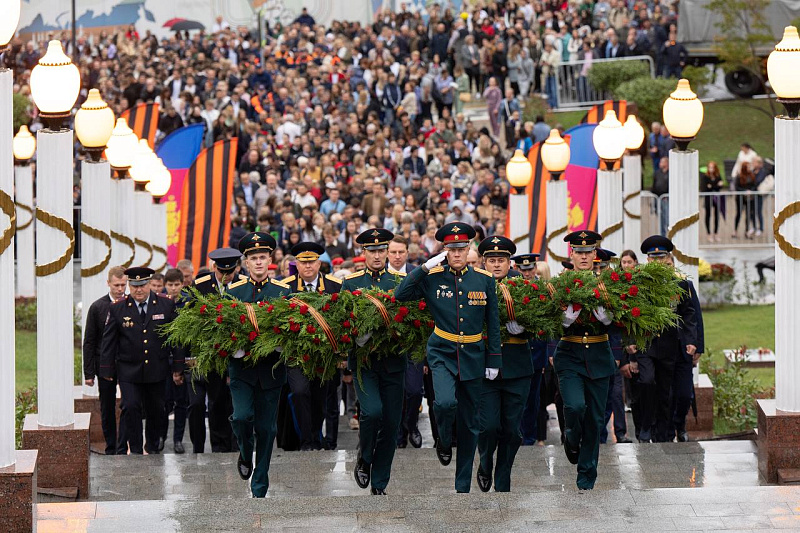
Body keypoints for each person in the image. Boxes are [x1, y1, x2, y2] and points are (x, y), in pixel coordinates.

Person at [395, 222, 502, 493]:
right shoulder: (433, 276)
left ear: (468, 249)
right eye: (451, 249)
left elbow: (493, 323)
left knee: (470, 422)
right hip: (442, 351)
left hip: (474, 355)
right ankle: (443, 439)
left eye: (461, 248)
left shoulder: (484, 279)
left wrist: (494, 360)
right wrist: (423, 268)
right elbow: (400, 295)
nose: (456, 254)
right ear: (444, 251)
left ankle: (462, 484)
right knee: (443, 403)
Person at [225, 232, 292, 498]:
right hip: (242, 370)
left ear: (270, 260)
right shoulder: (233, 292)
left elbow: (292, 329)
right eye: (253, 258)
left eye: (263, 257)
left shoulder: (283, 292)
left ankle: (260, 484)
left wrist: (279, 343)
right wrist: (235, 346)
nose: (259, 262)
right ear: (246, 263)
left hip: (271, 370)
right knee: (241, 417)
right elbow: (223, 329)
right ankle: (244, 452)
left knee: (267, 429)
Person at [342, 229, 407, 495]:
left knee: (391, 424)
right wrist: (357, 337)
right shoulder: (351, 283)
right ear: (364, 253)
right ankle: (364, 456)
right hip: (365, 361)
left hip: (393, 361)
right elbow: (343, 324)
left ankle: (380, 482)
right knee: (371, 412)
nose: (378, 256)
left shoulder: (401, 281)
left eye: (382, 250)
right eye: (373, 251)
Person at [100, 267, 186, 455]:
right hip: (129, 370)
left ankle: (152, 446)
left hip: (157, 368)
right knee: (130, 407)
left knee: (157, 409)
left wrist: (178, 367)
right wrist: (106, 370)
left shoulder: (165, 305)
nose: (138, 290)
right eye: (134, 286)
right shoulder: (117, 308)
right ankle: (137, 448)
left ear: (149, 284)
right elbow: (109, 341)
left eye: (142, 285)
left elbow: (176, 339)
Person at [555, 231, 616, 490]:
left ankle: (586, 476)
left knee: (595, 420)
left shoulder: (608, 283)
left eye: (587, 252)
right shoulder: (559, 283)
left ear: (595, 255)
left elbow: (620, 318)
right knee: (575, 407)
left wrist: (607, 316)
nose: (583, 256)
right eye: (578, 252)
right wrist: (565, 319)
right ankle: (571, 436)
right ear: (572, 255)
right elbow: (548, 321)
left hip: (599, 356)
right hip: (569, 354)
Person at [475, 236, 533, 493]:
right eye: (491, 260)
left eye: (501, 260)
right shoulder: (475, 285)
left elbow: (540, 320)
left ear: (510, 262)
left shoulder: (523, 286)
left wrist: (525, 328)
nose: (496, 265)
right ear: (483, 262)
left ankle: (504, 480)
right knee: (488, 427)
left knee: (511, 431)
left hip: (517, 366)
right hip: (485, 366)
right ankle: (486, 461)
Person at [279, 242, 343, 451]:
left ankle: (315, 436)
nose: (308, 267)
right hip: (296, 354)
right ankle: (307, 441)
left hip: (324, 355)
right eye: (303, 262)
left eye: (312, 262)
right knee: (299, 392)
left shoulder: (334, 286)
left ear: (319, 263)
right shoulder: (284, 286)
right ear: (296, 264)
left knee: (319, 399)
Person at [635, 235, 697, 443]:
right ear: (647, 260)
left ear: (667, 258)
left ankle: (662, 434)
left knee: (665, 392)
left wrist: (690, 340)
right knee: (646, 381)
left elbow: (688, 313)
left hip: (669, 344)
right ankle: (645, 425)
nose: (657, 262)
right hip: (646, 343)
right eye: (653, 258)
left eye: (661, 257)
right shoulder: (640, 283)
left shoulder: (679, 283)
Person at [181, 248, 240, 454]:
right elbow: (189, 323)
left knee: (235, 405)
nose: (226, 277)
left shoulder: (243, 284)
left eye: (230, 273)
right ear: (214, 268)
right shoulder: (200, 286)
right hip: (212, 355)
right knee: (216, 403)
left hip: (238, 355)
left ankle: (236, 445)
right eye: (222, 272)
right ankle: (218, 447)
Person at [83, 266, 128, 455]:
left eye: (123, 285)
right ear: (108, 283)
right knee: (107, 406)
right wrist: (89, 372)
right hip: (105, 364)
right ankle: (111, 446)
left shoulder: (130, 304)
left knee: (129, 404)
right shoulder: (98, 307)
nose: (120, 289)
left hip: (127, 363)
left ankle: (122, 444)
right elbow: (89, 341)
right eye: (116, 285)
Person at [512, 254, 547, 446]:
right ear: (517, 270)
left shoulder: (543, 289)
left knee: (533, 399)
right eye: (523, 270)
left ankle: (530, 437)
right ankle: (516, 434)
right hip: (516, 351)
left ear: (535, 269)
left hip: (536, 352)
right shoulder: (512, 288)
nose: (527, 273)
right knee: (517, 398)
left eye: (530, 269)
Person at [701, 161, 725, 243]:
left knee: (716, 216)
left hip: (716, 198)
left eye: (713, 167)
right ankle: (708, 233)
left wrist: (712, 186)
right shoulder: (705, 176)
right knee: (708, 215)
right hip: (708, 198)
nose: (711, 169)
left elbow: (720, 185)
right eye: (710, 167)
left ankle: (716, 233)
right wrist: (715, 186)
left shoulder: (717, 176)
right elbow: (704, 188)